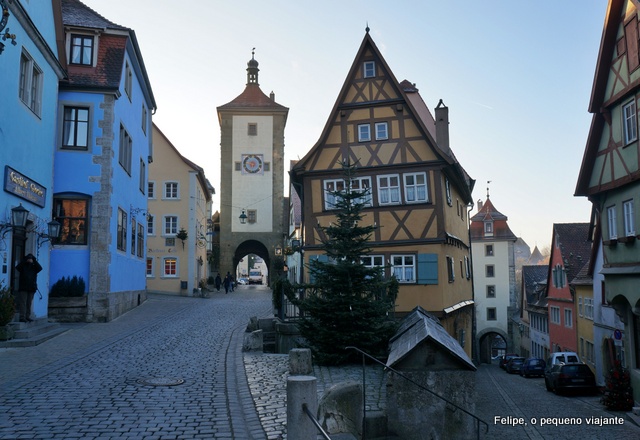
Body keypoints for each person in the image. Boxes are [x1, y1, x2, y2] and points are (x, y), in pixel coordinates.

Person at [15, 253, 42, 322]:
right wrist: (24, 260)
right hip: (23, 287)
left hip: (31, 287)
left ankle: (27, 316)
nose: (30, 260)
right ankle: (22, 317)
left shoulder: (34, 267)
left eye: (31, 258)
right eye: (29, 258)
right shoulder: (23, 266)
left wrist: (34, 261)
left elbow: (40, 268)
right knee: (23, 302)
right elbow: (17, 267)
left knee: (29, 303)